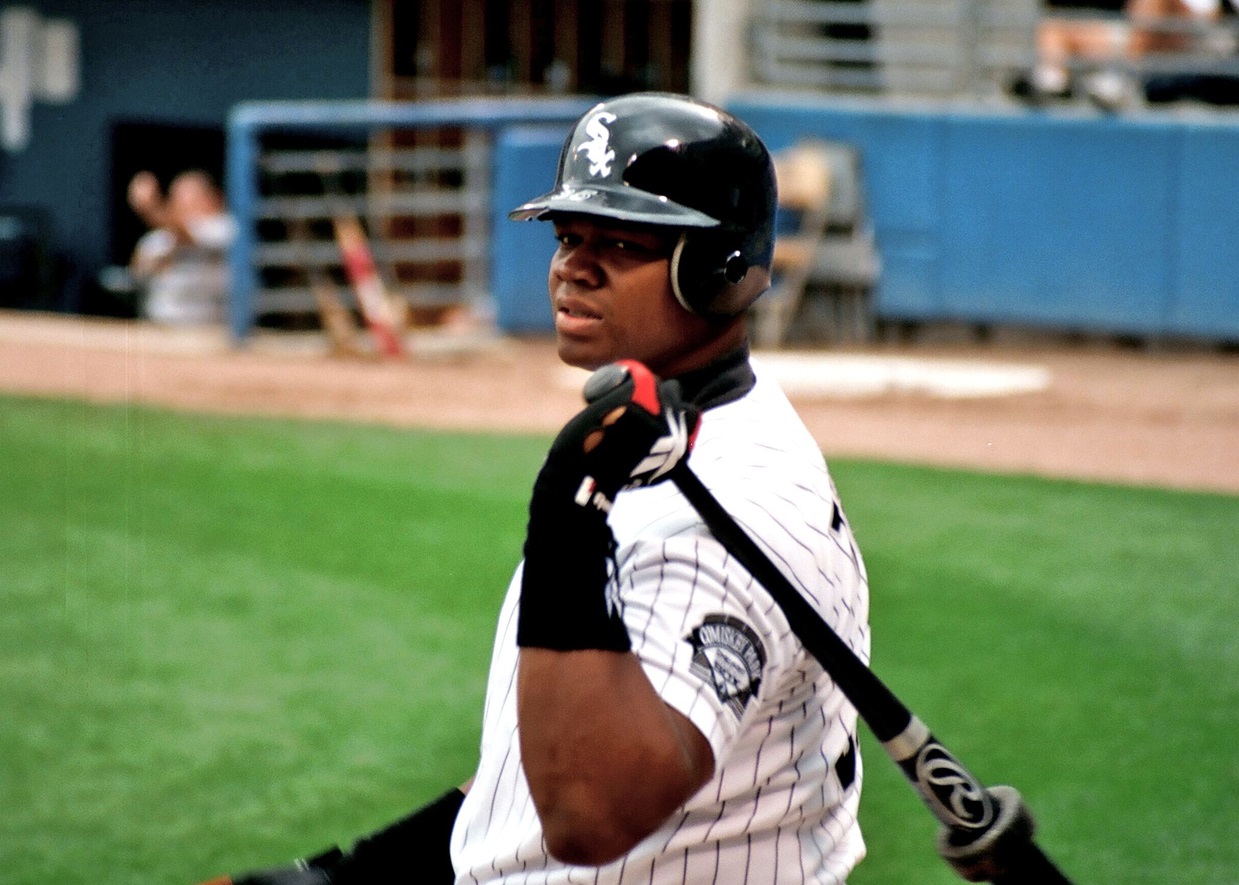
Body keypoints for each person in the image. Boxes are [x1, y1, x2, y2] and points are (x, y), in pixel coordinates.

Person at [197, 92, 871, 884]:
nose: (572, 265)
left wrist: (566, 517)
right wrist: (361, 871)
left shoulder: (721, 518)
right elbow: (536, 769)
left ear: (719, 270)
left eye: (619, 241)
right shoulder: (718, 424)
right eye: (567, 235)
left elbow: (589, 813)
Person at [1014, 0, 1236, 106]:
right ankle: (1052, 83)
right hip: (1142, 35)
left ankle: (1121, 79)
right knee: (1057, 27)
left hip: (1204, 44)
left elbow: (1214, 17)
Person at [126, 168, 235, 325]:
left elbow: (187, 236)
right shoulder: (158, 236)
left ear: (213, 198)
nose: (180, 202)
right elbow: (138, 272)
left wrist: (152, 208)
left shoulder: (223, 226)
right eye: (176, 196)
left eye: (189, 196)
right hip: (159, 326)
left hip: (207, 328)